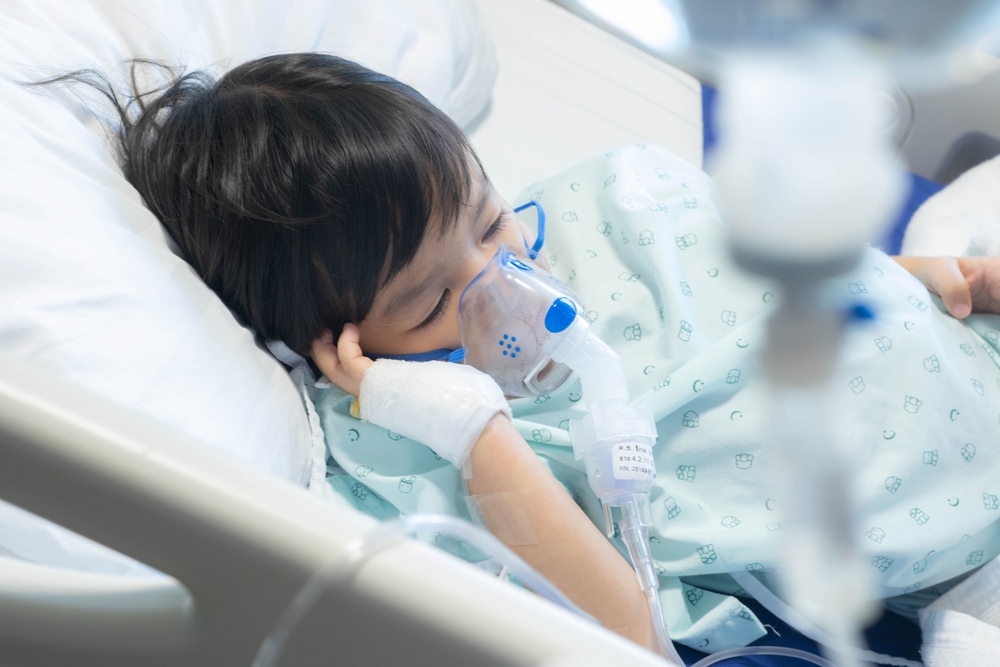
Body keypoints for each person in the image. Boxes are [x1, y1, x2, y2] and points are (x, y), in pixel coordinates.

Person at [61, 53, 1000, 652]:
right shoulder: (400, 450)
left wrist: (917, 274)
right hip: (952, 564)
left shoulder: (612, 200)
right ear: (331, 342)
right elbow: (627, 636)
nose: (505, 275)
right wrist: (477, 434)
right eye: (431, 298)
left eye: (490, 217)